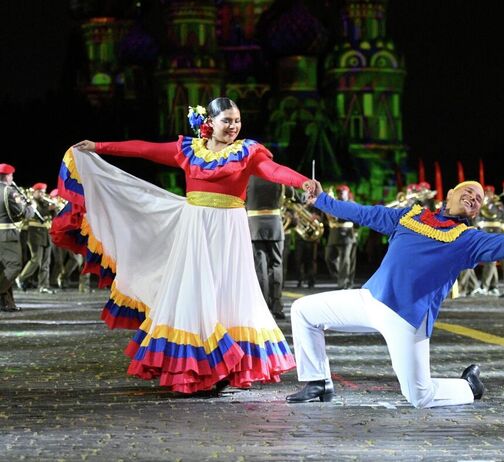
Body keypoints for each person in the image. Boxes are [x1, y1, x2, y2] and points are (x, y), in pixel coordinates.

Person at [59, 97, 314, 394]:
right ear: (210, 122)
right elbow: (144, 149)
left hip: (229, 231)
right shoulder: (188, 151)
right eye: (227, 121)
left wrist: (302, 182)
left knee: (228, 293)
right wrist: (100, 147)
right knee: (196, 294)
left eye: (237, 121)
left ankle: (226, 365)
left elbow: (274, 171)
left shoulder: (247, 152)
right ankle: (202, 368)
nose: (233, 126)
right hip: (195, 229)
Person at [286, 179, 504, 408]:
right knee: (303, 311)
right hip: (369, 300)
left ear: (476, 211)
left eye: (478, 199)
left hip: (405, 319)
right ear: (450, 195)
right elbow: (362, 213)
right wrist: (321, 199)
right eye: (467, 191)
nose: (472, 197)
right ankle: (318, 383)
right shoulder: (408, 216)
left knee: (419, 396)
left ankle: (469, 387)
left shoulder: (469, 240)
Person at [246, 176, 286, 320]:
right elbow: (292, 195)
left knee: (260, 267)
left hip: (254, 225)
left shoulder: (248, 178)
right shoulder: (277, 176)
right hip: (275, 224)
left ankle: (262, 307)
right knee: (276, 264)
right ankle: (277, 307)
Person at [0, 164, 35, 311]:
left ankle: (7, 303)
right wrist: (31, 208)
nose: (12, 178)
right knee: (14, 266)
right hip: (7, 235)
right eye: (11, 176)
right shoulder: (9, 192)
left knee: (2, 269)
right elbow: (20, 214)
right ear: (8, 176)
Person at [16, 182, 56, 294]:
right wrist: (49, 208)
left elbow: (53, 217)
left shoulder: (46, 203)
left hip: (46, 234)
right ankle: (21, 277)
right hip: (34, 234)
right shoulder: (31, 201)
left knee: (46, 262)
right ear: (34, 192)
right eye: (40, 192)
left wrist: (54, 209)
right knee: (36, 260)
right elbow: (36, 213)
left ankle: (43, 286)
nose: (42, 194)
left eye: (43, 192)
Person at [325, 184, 357, 289]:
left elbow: (355, 218)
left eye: (342, 192)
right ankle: (341, 277)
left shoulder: (351, 204)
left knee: (345, 260)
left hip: (347, 234)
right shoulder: (334, 203)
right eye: (338, 192)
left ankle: (343, 284)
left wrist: (337, 216)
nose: (340, 194)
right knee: (329, 257)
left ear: (347, 193)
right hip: (334, 233)